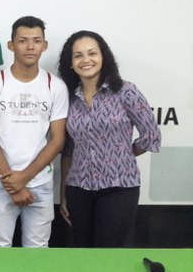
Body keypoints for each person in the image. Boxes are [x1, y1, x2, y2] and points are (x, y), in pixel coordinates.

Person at [57, 30, 161, 247]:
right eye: (78, 56)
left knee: (109, 252)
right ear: (70, 63)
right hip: (78, 188)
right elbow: (68, 150)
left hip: (119, 188)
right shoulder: (68, 98)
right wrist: (63, 192)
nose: (86, 60)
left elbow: (151, 134)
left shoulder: (125, 91)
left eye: (92, 53)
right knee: (83, 252)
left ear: (103, 56)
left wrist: (122, 153)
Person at [0, 16, 68, 248]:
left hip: (40, 182)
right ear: (11, 45)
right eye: (23, 40)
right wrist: (11, 181)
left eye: (36, 41)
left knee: (37, 249)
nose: (30, 46)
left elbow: (57, 140)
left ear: (44, 45)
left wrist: (24, 178)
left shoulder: (55, 86)